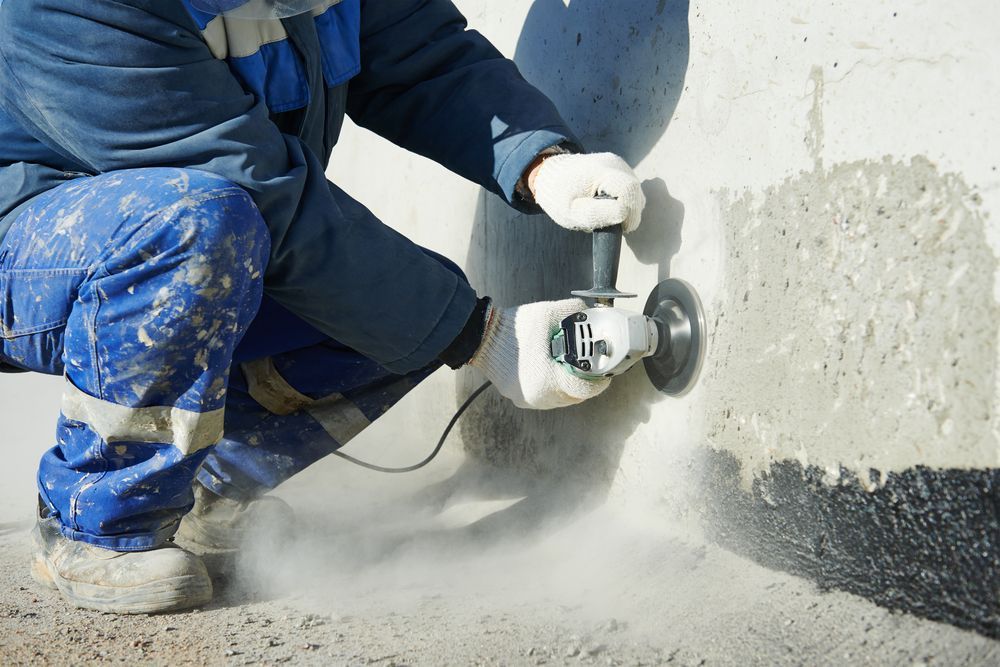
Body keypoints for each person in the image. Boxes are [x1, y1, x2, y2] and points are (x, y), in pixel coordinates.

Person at [0, 0, 645, 613]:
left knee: (385, 317)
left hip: (224, 234)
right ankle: (98, 521)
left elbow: (424, 61)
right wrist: (482, 337)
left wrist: (540, 161)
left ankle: (201, 493)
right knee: (199, 227)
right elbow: (247, 181)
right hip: (36, 246)